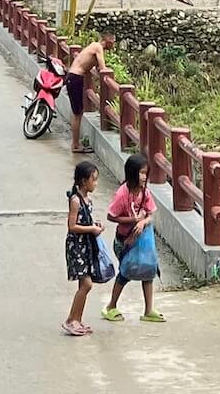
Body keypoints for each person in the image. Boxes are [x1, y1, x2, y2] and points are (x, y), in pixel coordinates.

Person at [101, 152, 163, 324]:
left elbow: (151, 215)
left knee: (148, 271)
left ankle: (148, 309)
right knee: (126, 272)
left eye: (146, 173)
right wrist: (131, 220)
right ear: (132, 173)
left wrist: (143, 223)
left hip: (143, 240)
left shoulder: (145, 192)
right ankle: (111, 306)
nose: (144, 177)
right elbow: (111, 216)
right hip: (125, 240)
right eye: (141, 173)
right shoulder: (122, 194)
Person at [63, 159, 105, 337]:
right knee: (87, 284)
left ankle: (77, 320)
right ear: (83, 181)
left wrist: (95, 225)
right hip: (77, 247)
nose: (95, 183)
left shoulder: (87, 200)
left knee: (84, 283)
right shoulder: (75, 200)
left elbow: (85, 220)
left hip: (86, 246)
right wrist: (91, 229)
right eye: (93, 179)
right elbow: (72, 226)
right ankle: (71, 319)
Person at [65, 34, 115, 154]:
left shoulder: (93, 46)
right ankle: (75, 145)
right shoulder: (98, 47)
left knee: (78, 112)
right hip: (75, 78)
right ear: (106, 40)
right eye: (113, 41)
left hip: (73, 77)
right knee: (77, 114)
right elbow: (103, 68)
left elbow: (95, 65)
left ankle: (76, 143)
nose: (114, 44)